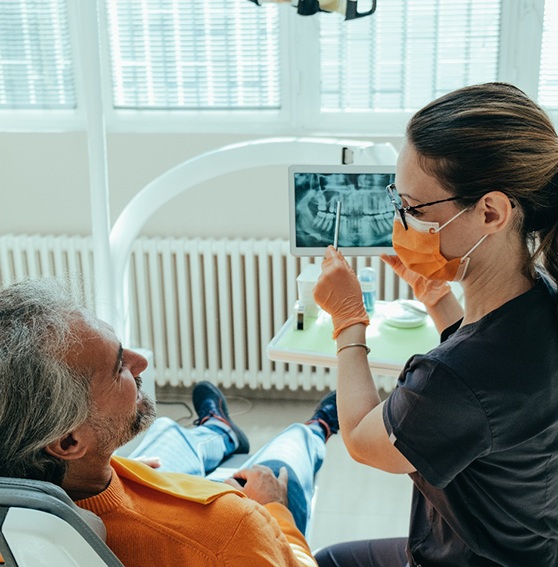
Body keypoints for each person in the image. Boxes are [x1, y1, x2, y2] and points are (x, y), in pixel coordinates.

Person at [312, 82, 558, 566]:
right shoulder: (543, 297)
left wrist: (348, 321)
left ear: (490, 211)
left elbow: (364, 441)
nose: (402, 222)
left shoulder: (452, 379)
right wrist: (437, 298)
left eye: (414, 208)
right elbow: (487, 375)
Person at [0, 277, 339, 567]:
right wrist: (274, 510)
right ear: (69, 443)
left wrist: (116, 469)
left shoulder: (40, 490)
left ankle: (218, 429)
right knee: (280, 462)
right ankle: (316, 429)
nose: (140, 361)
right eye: (118, 367)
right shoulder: (231, 531)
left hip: (123, 486)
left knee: (167, 433)